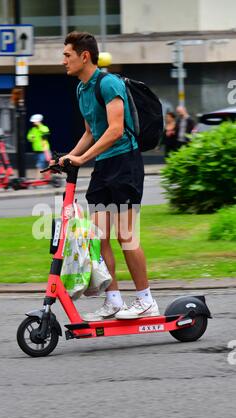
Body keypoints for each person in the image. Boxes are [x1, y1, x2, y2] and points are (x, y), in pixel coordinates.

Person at [56, 31, 160, 321]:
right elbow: (91, 133)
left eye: (67, 55)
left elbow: (115, 130)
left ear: (84, 56)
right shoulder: (81, 89)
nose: (63, 60)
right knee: (99, 238)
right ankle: (113, 300)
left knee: (127, 236)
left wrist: (81, 159)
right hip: (103, 167)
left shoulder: (108, 83)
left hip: (125, 163)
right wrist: (67, 158)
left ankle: (146, 300)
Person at [27, 114, 51, 179]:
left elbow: (46, 133)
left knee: (40, 165)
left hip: (44, 150)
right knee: (43, 165)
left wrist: (40, 129)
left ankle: (37, 179)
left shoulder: (44, 128)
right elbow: (29, 137)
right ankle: (48, 178)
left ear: (39, 121)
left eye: (35, 121)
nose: (33, 122)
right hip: (36, 150)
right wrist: (31, 137)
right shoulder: (32, 129)